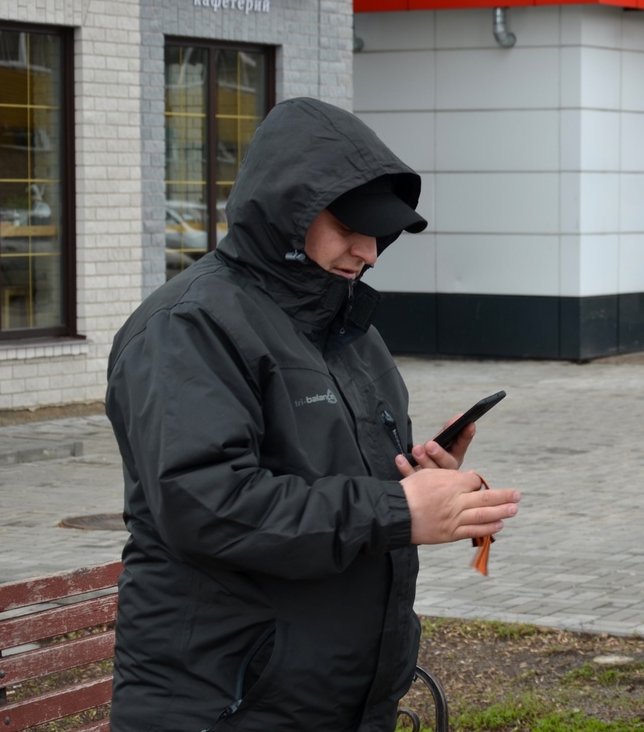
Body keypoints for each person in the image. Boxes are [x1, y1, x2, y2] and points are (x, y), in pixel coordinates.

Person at [104, 97, 521, 731]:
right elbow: (207, 504)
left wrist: (411, 479)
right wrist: (397, 510)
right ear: (285, 210)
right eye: (350, 228)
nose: (369, 252)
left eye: (379, 233)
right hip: (228, 702)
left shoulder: (347, 327)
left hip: (340, 698)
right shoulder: (188, 327)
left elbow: (324, 479)